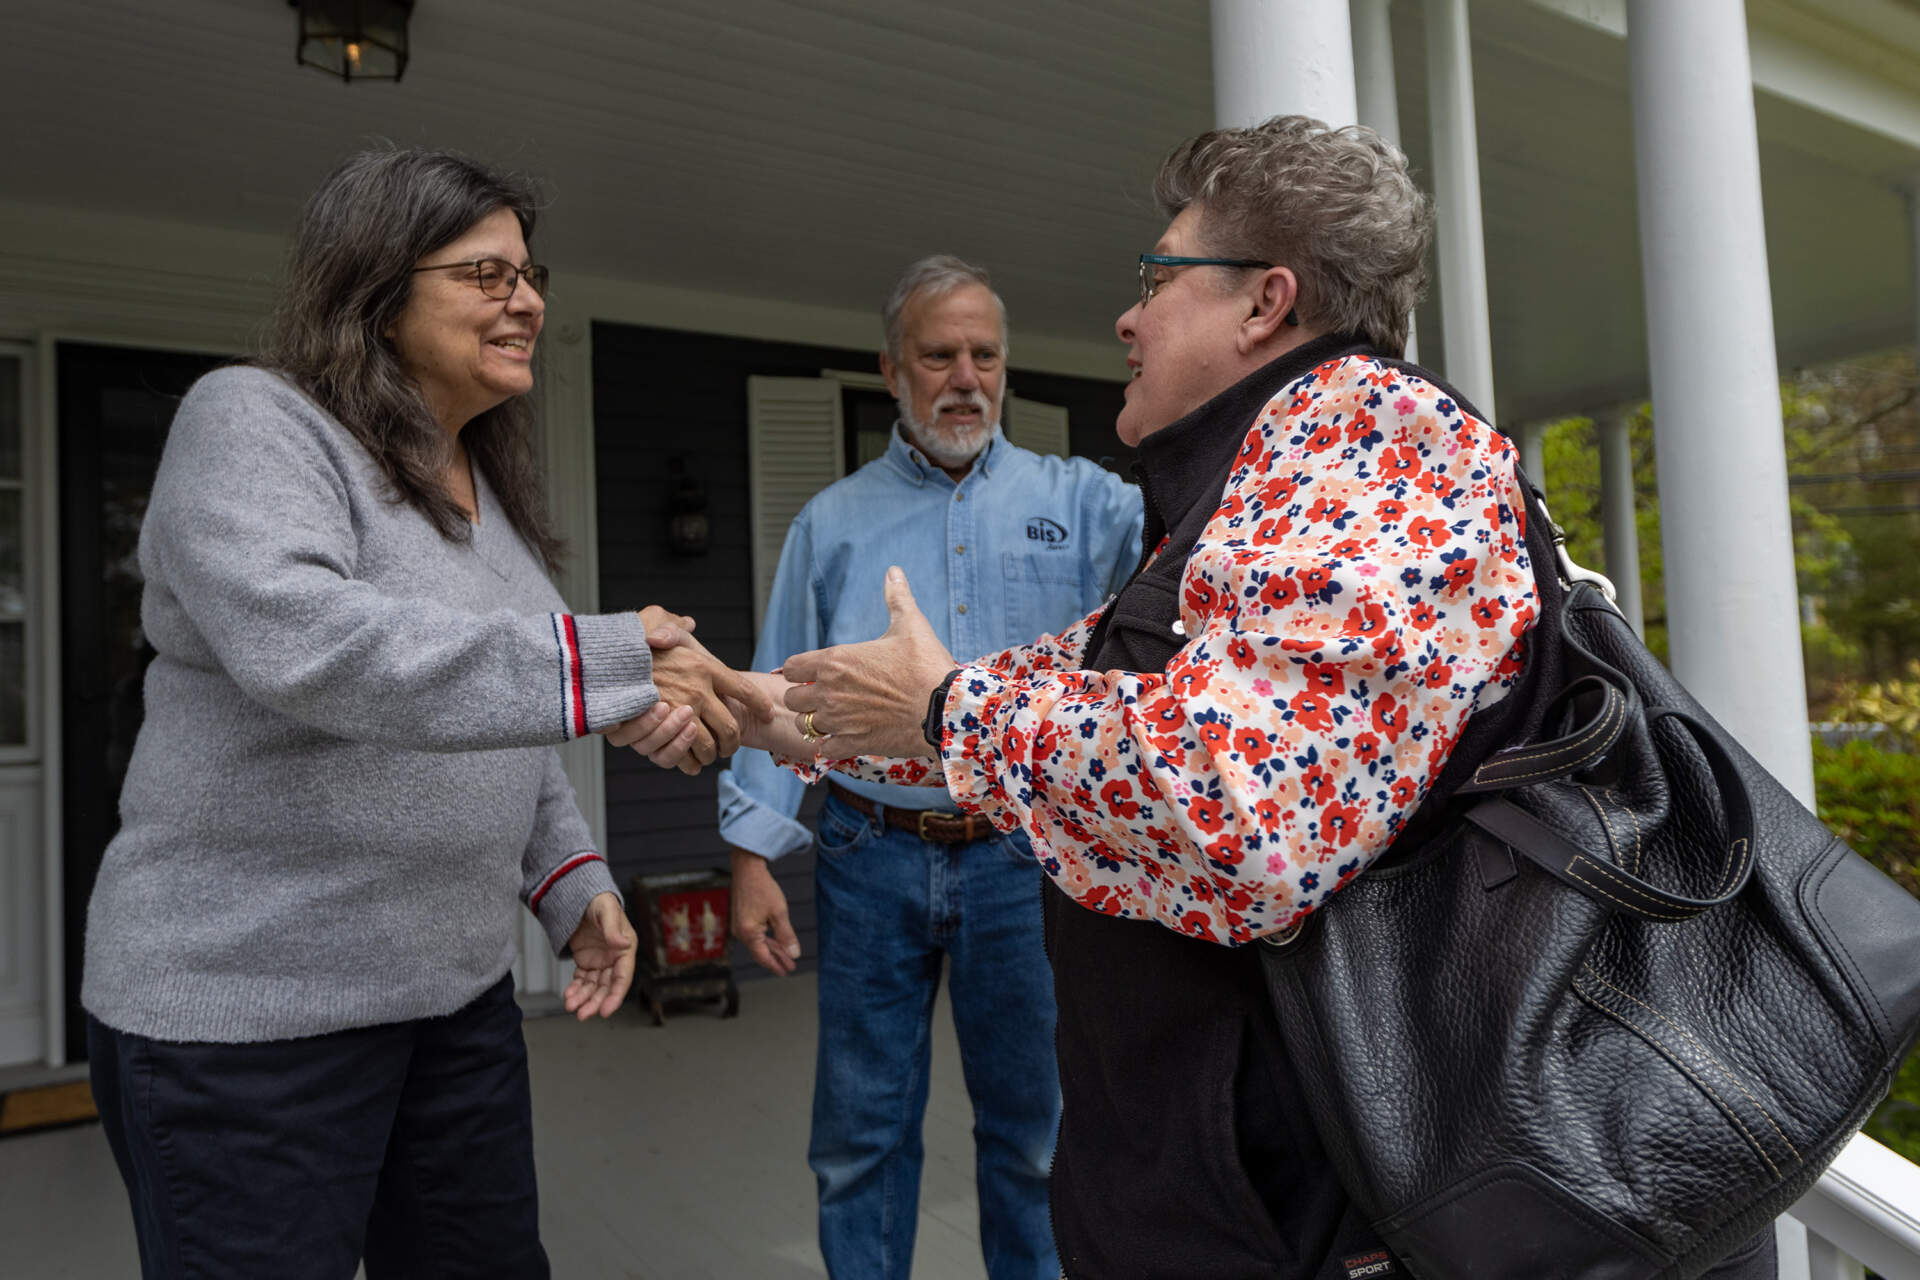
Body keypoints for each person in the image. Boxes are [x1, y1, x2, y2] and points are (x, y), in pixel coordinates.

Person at [695, 118, 1778, 1279]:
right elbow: (1070, 689)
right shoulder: (1269, 481)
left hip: (1353, 1213)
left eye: (1156, 278)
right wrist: (772, 709)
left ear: (1264, 303)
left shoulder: (1381, 459)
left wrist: (948, 706)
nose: (1126, 314)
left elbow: (1235, 804)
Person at [81, 147, 762, 1280]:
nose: (530, 299)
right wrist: (611, 665)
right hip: (245, 1018)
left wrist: (574, 879)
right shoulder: (254, 421)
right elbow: (311, 643)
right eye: (487, 274)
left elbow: (505, 713)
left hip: (451, 1006)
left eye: (531, 273)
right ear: (378, 285)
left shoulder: (480, 488)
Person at [714, 255, 1142, 1279]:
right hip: (870, 851)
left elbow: (1196, 541)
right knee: (859, 1138)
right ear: (892, 369)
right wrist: (752, 854)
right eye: (938, 353)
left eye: (984, 353)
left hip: (1022, 857)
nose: (965, 375)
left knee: (1035, 1140)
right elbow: (773, 683)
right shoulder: (832, 520)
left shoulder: (1085, 505)